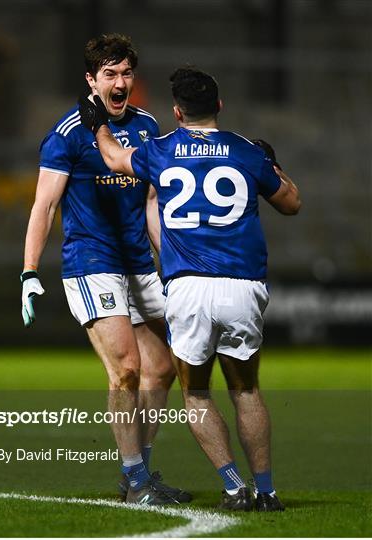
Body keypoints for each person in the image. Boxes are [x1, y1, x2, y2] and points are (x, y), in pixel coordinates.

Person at [79, 66, 301, 512]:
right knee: (246, 390)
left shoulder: (159, 150)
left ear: (177, 112)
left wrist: (97, 123)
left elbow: (113, 158)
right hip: (243, 286)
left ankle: (235, 486)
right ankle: (268, 490)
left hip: (188, 289)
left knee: (196, 393)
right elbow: (291, 202)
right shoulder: (244, 151)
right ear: (218, 105)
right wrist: (273, 166)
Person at [20, 34, 191, 506]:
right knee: (127, 371)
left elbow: (152, 202)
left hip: (140, 265)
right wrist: (29, 270)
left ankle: (138, 469)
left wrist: (170, 261)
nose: (120, 83)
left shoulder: (146, 126)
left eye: (126, 74)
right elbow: (44, 205)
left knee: (164, 368)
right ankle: (136, 482)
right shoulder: (68, 133)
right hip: (93, 264)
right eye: (110, 75)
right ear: (91, 80)